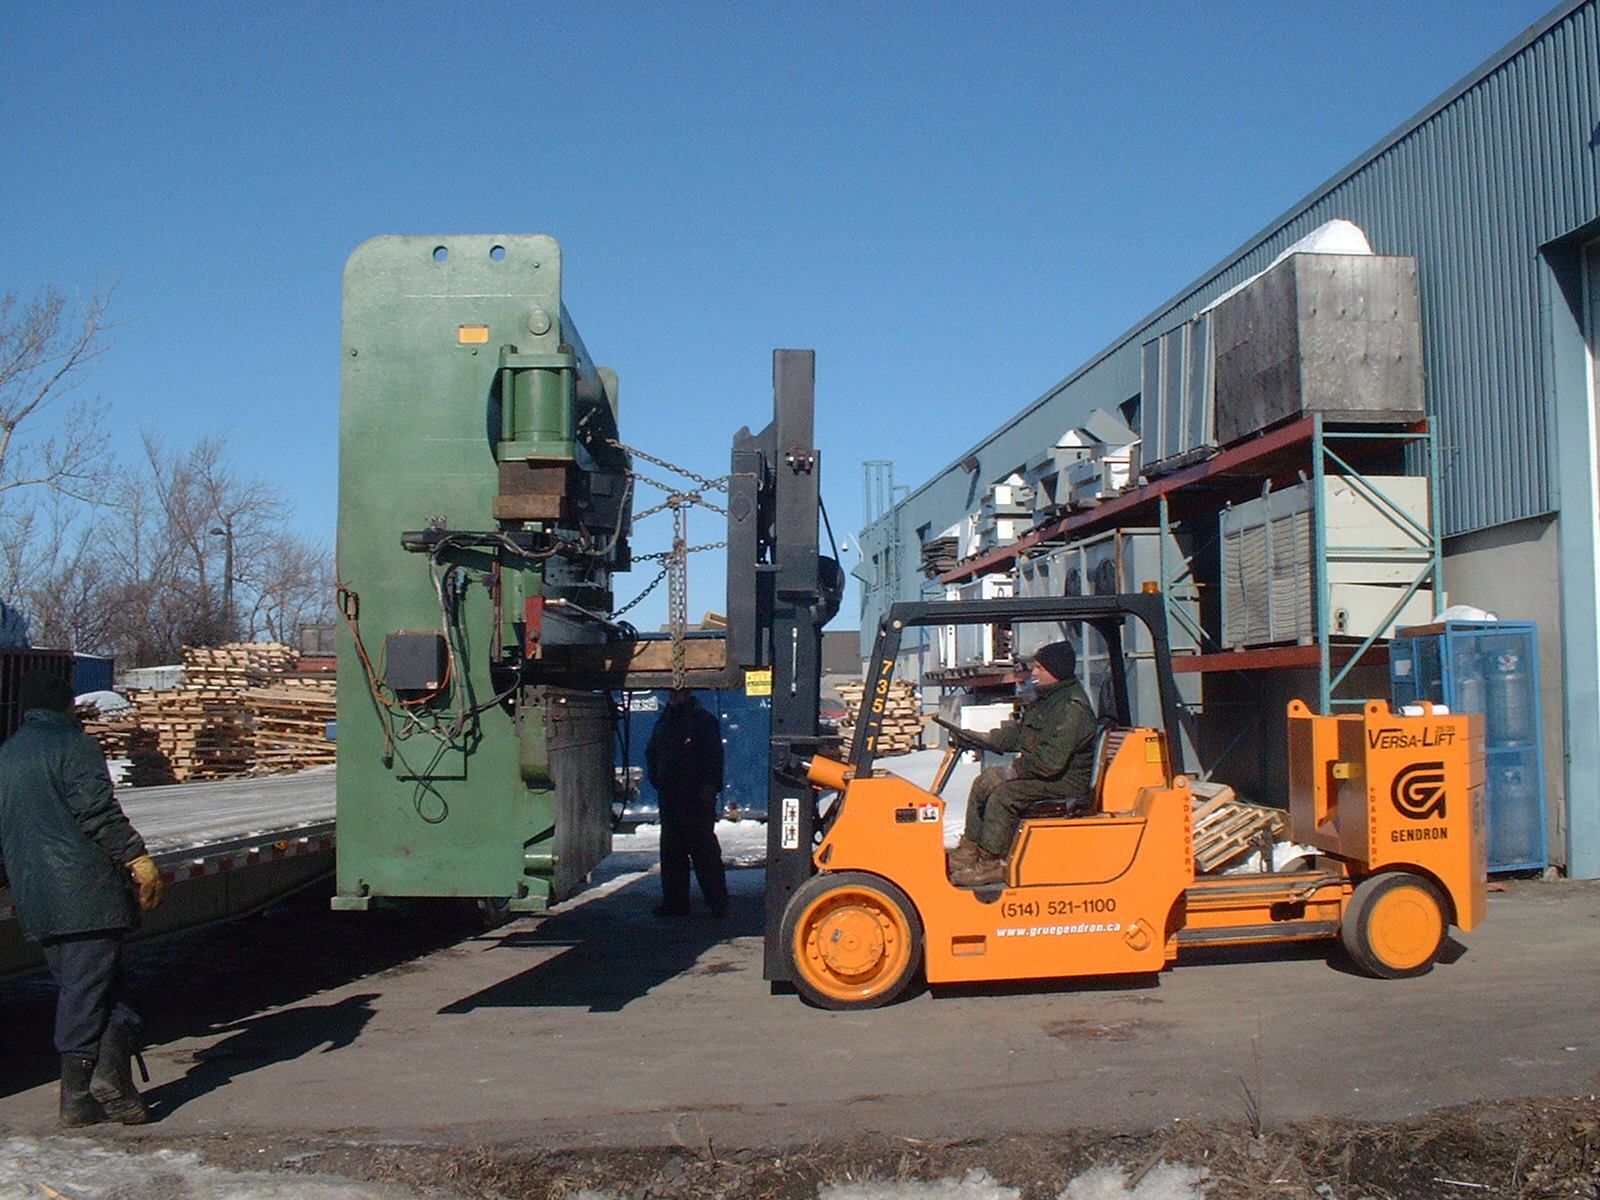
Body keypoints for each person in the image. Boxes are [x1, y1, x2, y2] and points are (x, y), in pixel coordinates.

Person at [0, 671, 164, 1127]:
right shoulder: (75, 747)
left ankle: (87, 1094)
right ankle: (94, 1085)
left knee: (96, 986)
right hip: (84, 891)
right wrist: (137, 857)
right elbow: (96, 811)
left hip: (38, 896)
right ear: (67, 705)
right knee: (89, 992)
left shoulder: (7, 755)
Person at [949, 640, 1098, 888]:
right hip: (1046, 774)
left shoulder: (1072, 707)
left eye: (1039, 668)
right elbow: (1021, 736)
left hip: (1065, 782)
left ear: (1056, 670)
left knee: (1005, 794)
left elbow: (1050, 762)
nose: (1034, 673)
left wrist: (1012, 772)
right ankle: (969, 850)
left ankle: (992, 862)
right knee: (984, 781)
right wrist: (983, 738)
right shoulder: (1048, 700)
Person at [645, 688, 730, 918]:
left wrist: (710, 786)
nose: (672, 698)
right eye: (671, 694)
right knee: (672, 851)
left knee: (703, 850)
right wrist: (658, 780)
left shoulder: (702, 721)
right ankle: (675, 902)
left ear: (687, 694)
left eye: (677, 694)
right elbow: (652, 752)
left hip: (696, 795)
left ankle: (717, 902)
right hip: (671, 794)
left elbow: (713, 756)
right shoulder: (665, 721)